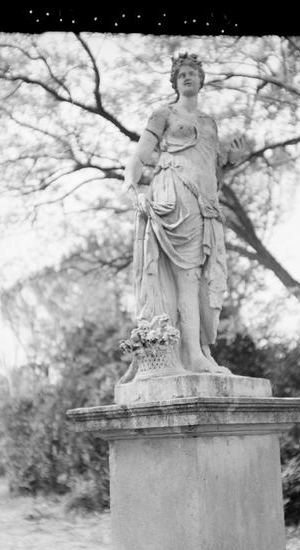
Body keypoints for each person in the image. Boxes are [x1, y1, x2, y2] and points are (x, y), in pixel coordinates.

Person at [122, 52, 246, 378]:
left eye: (192, 73)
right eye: (181, 75)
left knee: (200, 279)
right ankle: (194, 355)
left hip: (203, 205)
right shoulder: (163, 114)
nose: (187, 77)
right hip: (172, 197)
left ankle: (196, 353)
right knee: (186, 277)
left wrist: (233, 159)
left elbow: (212, 170)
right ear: (175, 82)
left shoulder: (209, 123)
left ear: (201, 80)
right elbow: (139, 156)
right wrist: (134, 189)